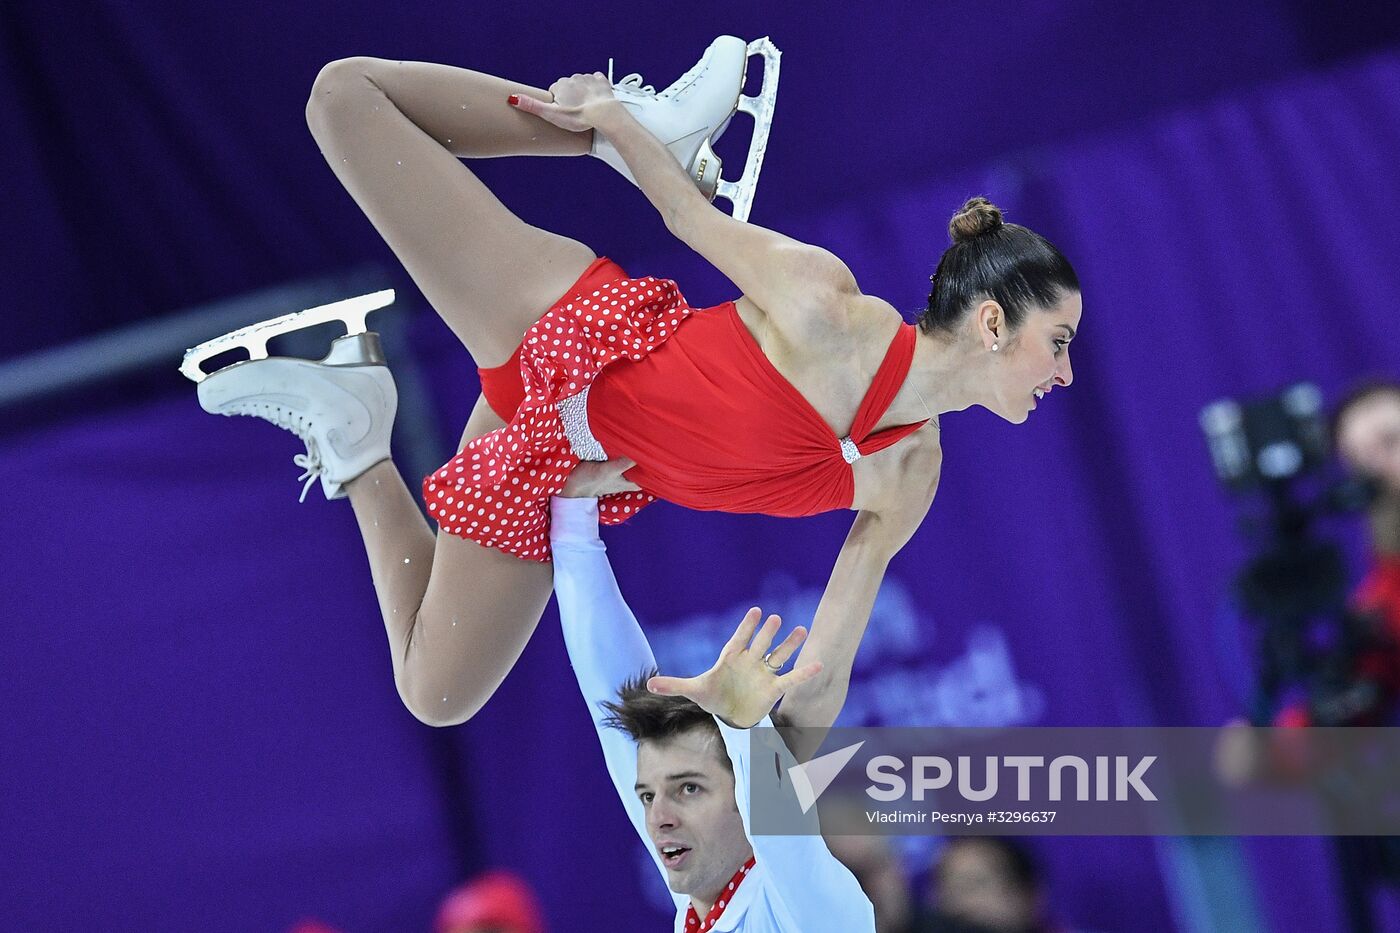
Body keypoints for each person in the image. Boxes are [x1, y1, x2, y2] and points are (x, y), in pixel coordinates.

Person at [188, 36, 1082, 728]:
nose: (1067, 371)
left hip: (563, 454)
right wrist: (610, 124)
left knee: (435, 689)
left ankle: (354, 440)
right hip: (560, 323)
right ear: (994, 321)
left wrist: (757, 753)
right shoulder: (827, 305)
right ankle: (627, 126)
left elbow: (825, 671)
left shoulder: (911, 474)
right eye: (1060, 340)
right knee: (346, 96)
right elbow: (686, 214)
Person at [548, 494, 876, 932]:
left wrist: (744, 725)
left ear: (744, 796)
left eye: (688, 789)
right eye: (646, 795)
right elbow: (606, 692)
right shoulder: (701, 909)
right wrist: (574, 515)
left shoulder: (812, 913)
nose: (657, 817)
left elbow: (786, 837)